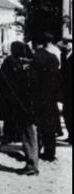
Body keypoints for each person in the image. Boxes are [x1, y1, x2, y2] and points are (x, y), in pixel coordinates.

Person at [0, 41, 39, 175]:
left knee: (27, 134)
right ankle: (32, 161)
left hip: (19, 104)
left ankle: (32, 165)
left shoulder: (10, 62)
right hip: (31, 103)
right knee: (31, 133)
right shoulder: (30, 62)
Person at [31, 33, 62, 161]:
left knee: (38, 125)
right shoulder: (53, 57)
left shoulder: (36, 59)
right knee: (50, 125)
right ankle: (50, 152)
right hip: (52, 97)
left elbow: (32, 80)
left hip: (38, 97)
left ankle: (36, 150)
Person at [60, 36, 72, 143]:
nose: (65, 45)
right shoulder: (63, 55)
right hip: (67, 90)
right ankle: (71, 135)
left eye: (67, 43)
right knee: (66, 112)